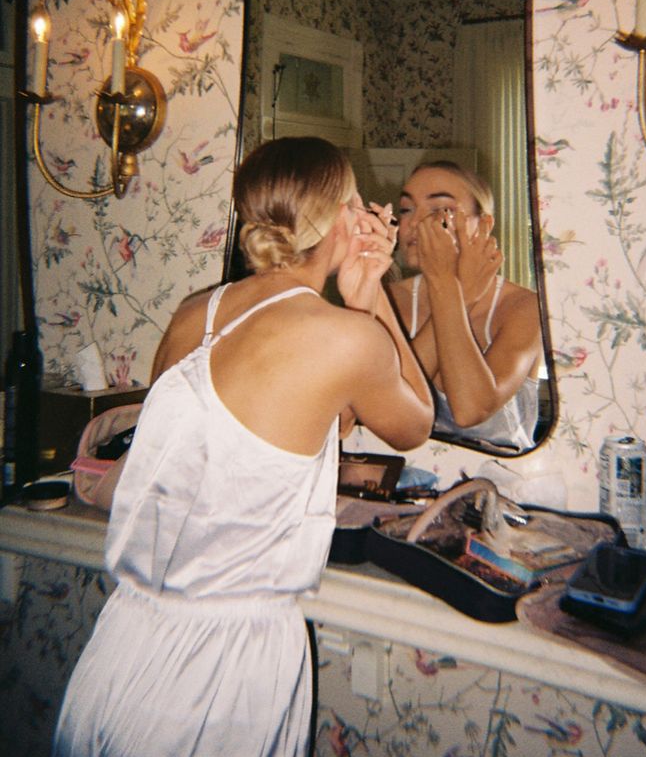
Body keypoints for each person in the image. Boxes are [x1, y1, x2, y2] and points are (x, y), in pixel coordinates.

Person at [53, 136, 433, 757]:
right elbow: (416, 424)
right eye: (357, 203)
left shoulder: (193, 313)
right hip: (222, 678)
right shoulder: (344, 337)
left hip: (122, 647)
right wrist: (373, 298)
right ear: (341, 217)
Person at [387, 161, 543, 452]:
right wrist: (461, 295)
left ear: (483, 225)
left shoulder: (524, 308)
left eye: (439, 210)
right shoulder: (390, 301)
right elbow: (391, 402)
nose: (416, 223)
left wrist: (450, 289)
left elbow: (471, 409)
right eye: (406, 209)